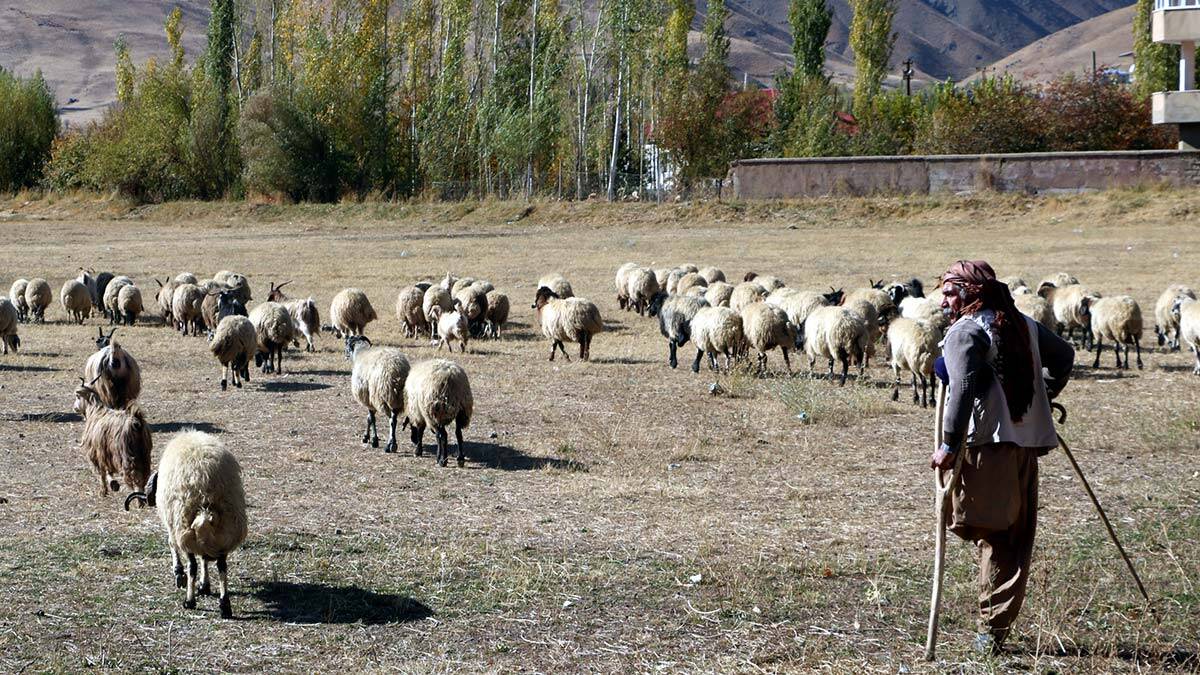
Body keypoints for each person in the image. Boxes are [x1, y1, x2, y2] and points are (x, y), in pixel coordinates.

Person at [930, 260, 1075, 654]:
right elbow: (1063, 356)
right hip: (1026, 443)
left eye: (950, 290)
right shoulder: (1021, 322)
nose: (943, 298)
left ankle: (989, 632)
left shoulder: (966, 330)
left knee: (992, 533)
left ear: (972, 291)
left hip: (986, 446)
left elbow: (961, 389)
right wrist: (1043, 393)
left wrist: (947, 444)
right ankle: (995, 625)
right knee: (1013, 534)